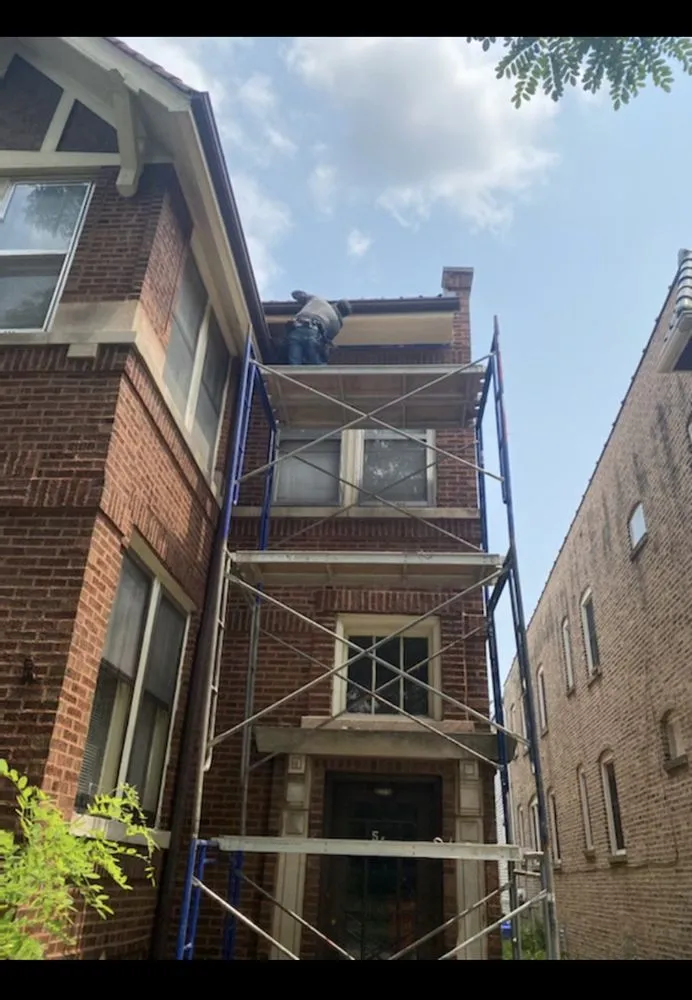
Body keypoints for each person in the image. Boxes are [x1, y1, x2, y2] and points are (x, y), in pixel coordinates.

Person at [284, 290, 352, 365]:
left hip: (295, 329)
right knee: (317, 363)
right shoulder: (336, 322)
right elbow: (324, 343)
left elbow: (298, 295)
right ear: (343, 315)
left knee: (294, 363)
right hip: (312, 333)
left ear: (336, 304)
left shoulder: (317, 299)